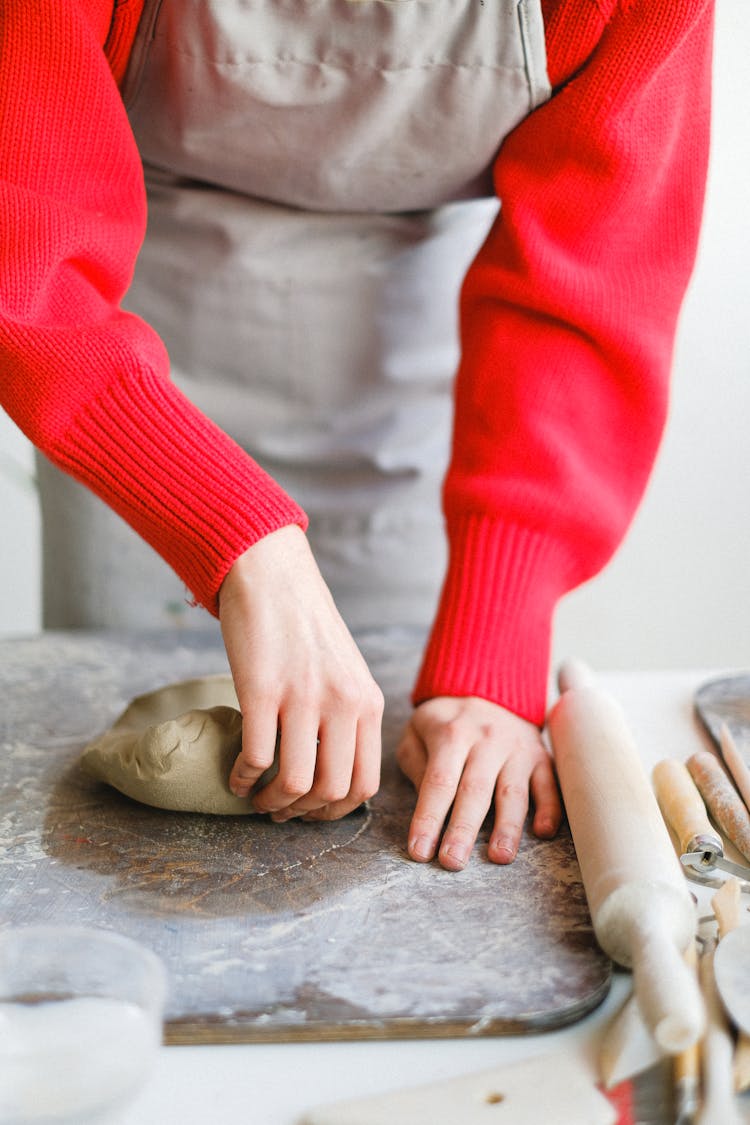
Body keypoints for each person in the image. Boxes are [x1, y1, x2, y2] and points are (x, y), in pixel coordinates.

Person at [0, 0, 713, 870]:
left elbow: (587, 289)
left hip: (424, 390)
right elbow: (23, 260)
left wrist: (493, 649)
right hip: (122, 382)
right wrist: (234, 534)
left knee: (401, 783)